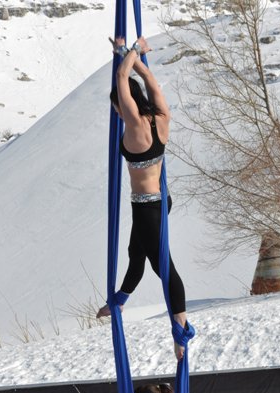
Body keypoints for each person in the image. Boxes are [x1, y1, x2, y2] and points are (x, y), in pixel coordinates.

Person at [97, 35, 189, 361]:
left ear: (123, 106)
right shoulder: (161, 117)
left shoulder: (135, 125)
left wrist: (130, 52)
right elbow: (146, 77)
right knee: (136, 254)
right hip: (158, 201)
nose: (117, 112)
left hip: (148, 207)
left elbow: (122, 77)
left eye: (117, 108)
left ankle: (181, 332)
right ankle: (120, 299)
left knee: (163, 268)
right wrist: (131, 54)